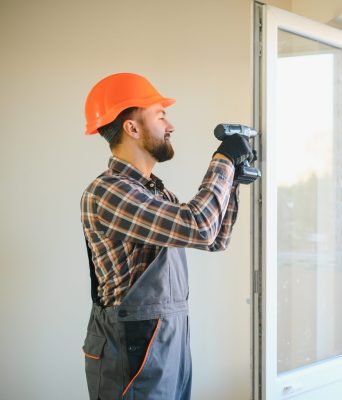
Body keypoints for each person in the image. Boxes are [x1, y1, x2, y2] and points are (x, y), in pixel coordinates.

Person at [80, 72, 254, 400]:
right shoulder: (108, 192)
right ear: (131, 128)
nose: (170, 126)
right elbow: (199, 226)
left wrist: (232, 183)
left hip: (166, 340)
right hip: (132, 346)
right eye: (161, 115)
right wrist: (223, 160)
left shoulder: (155, 193)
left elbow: (214, 238)